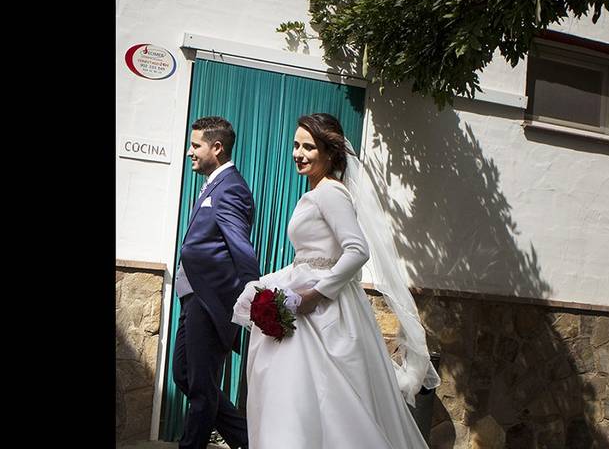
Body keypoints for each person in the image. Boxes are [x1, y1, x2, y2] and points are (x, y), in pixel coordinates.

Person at [232, 113, 440, 448]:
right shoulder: (318, 191)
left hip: (319, 311)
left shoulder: (330, 192)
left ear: (330, 153)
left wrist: (315, 293)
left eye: (309, 147)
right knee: (292, 398)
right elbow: (314, 252)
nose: (299, 153)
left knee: (318, 401)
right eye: (296, 145)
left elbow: (358, 250)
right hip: (302, 299)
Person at [173, 116, 261, 449]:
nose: (190, 152)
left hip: (210, 301)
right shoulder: (213, 184)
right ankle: (249, 441)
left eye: (196, 145)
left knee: (200, 388)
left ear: (217, 148)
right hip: (193, 296)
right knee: (184, 375)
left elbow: (240, 246)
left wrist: (253, 292)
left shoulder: (231, 188)